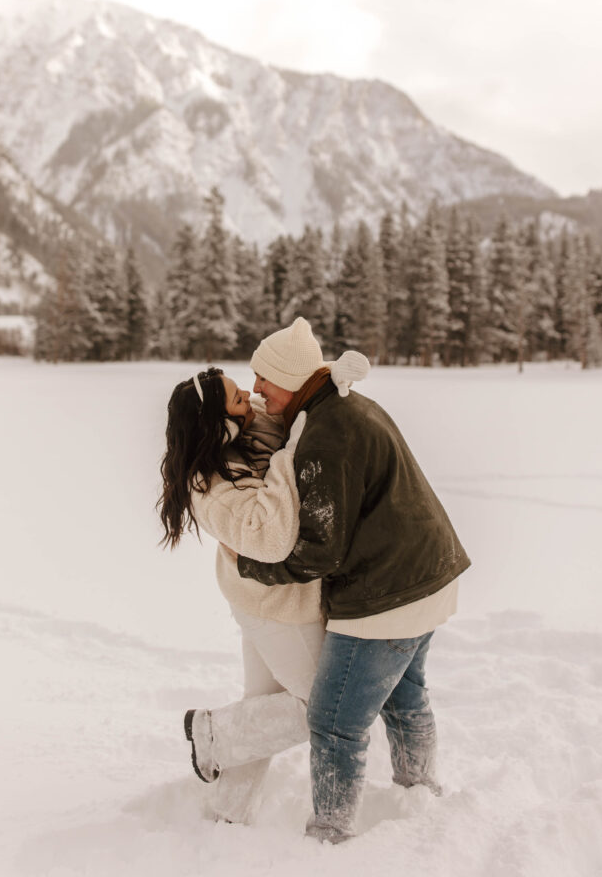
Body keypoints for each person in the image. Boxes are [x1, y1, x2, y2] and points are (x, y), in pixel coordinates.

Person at [230, 317, 471, 843]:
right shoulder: (339, 407)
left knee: (335, 721)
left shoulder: (327, 432)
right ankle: (419, 791)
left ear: (291, 379)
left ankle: (330, 833)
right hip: (432, 574)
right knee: (406, 696)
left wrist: (249, 564)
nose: (255, 391)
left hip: (390, 593)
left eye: (263, 380)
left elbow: (320, 549)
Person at [158, 358, 367, 824]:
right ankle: (213, 733)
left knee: (262, 708)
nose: (250, 402)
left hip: (261, 602)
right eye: (237, 399)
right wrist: (290, 456)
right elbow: (269, 537)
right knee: (323, 708)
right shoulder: (212, 486)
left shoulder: (238, 439)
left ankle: (228, 813)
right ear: (219, 427)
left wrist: (329, 378)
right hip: (277, 611)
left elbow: (278, 403)